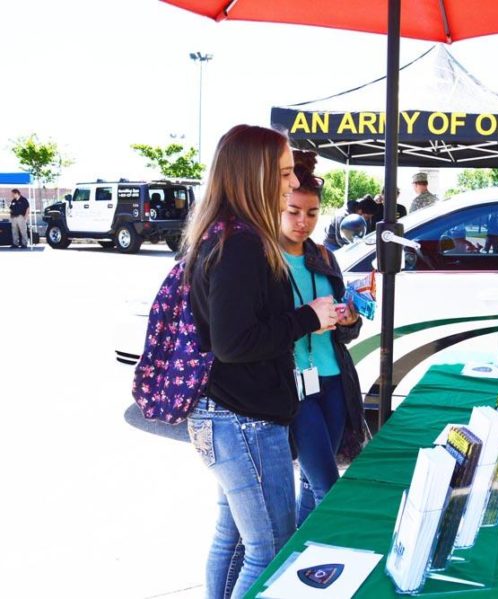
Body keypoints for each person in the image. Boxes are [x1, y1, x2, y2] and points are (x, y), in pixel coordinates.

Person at [181, 124, 339, 599]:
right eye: (286, 173)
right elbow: (234, 342)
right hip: (243, 420)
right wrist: (306, 318)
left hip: (229, 416)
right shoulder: (242, 244)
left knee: (234, 542)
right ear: (256, 175)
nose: (294, 182)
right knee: (269, 550)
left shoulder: (228, 234)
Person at [280, 164, 367, 526]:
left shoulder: (325, 256)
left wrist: (347, 319)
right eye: (294, 212)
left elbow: (346, 329)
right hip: (294, 387)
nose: (303, 221)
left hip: (334, 380)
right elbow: (261, 331)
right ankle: (323, 561)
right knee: (327, 486)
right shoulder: (265, 258)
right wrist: (306, 320)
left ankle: (297, 560)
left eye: (312, 213)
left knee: (311, 483)